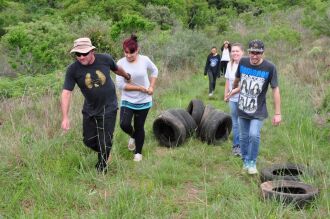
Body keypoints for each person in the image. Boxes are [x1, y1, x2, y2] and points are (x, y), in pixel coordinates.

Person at [61, 37, 131, 173]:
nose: (81, 57)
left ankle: (101, 170)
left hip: (109, 106)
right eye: (77, 54)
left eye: (84, 53)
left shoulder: (105, 59)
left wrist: (127, 76)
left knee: (105, 142)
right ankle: (106, 152)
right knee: (88, 140)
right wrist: (65, 117)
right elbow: (66, 93)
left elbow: (117, 69)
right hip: (90, 108)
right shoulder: (72, 70)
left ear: (92, 51)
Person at [233, 39, 281, 175]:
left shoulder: (270, 67)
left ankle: (252, 162)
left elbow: (275, 89)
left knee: (253, 135)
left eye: (258, 53)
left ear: (263, 53)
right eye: (252, 52)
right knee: (243, 137)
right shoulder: (242, 62)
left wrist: (277, 113)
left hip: (258, 109)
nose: (254, 56)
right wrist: (233, 87)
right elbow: (237, 78)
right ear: (248, 52)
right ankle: (245, 161)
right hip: (242, 108)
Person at [116, 34, 158, 162]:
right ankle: (133, 136)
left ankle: (138, 153)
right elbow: (120, 85)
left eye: (131, 53)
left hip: (144, 101)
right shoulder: (120, 63)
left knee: (139, 126)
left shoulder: (145, 60)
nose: (128, 55)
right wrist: (140, 88)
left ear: (137, 50)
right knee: (124, 124)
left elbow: (155, 71)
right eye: (126, 52)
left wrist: (151, 86)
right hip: (127, 100)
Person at [224, 43, 244, 157]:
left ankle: (243, 147)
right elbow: (227, 81)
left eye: (237, 51)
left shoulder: (246, 65)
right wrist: (225, 94)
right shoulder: (229, 65)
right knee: (235, 123)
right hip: (232, 99)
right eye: (233, 51)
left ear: (242, 52)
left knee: (242, 123)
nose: (235, 53)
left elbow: (242, 85)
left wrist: (230, 93)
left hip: (243, 98)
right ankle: (236, 146)